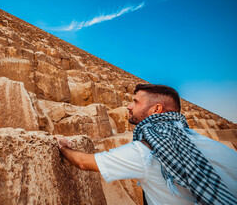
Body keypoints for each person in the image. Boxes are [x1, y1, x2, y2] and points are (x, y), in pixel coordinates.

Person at [56, 84, 237, 205]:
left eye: (135, 101)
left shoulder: (146, 152)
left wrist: (63, 146)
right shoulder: (216, 148)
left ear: (156, 109)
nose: (128, 106)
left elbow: (83, 162)